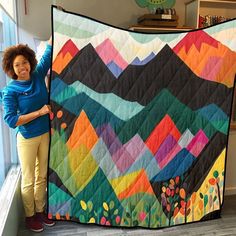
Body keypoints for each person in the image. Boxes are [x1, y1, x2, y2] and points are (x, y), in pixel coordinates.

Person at [1, 38, 55, 233]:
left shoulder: (38, 75)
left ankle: (40, 212)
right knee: (29, 178)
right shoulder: (10, 91)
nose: (22, 67)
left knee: (42, 175)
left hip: (44, 134)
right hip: (27, 138)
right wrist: (39, 113)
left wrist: (54, 26)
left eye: (24, 62)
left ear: (30, 62)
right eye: (17, 64)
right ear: (11, 68)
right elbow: (11, 120)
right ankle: (30, 216)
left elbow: (48, 55)